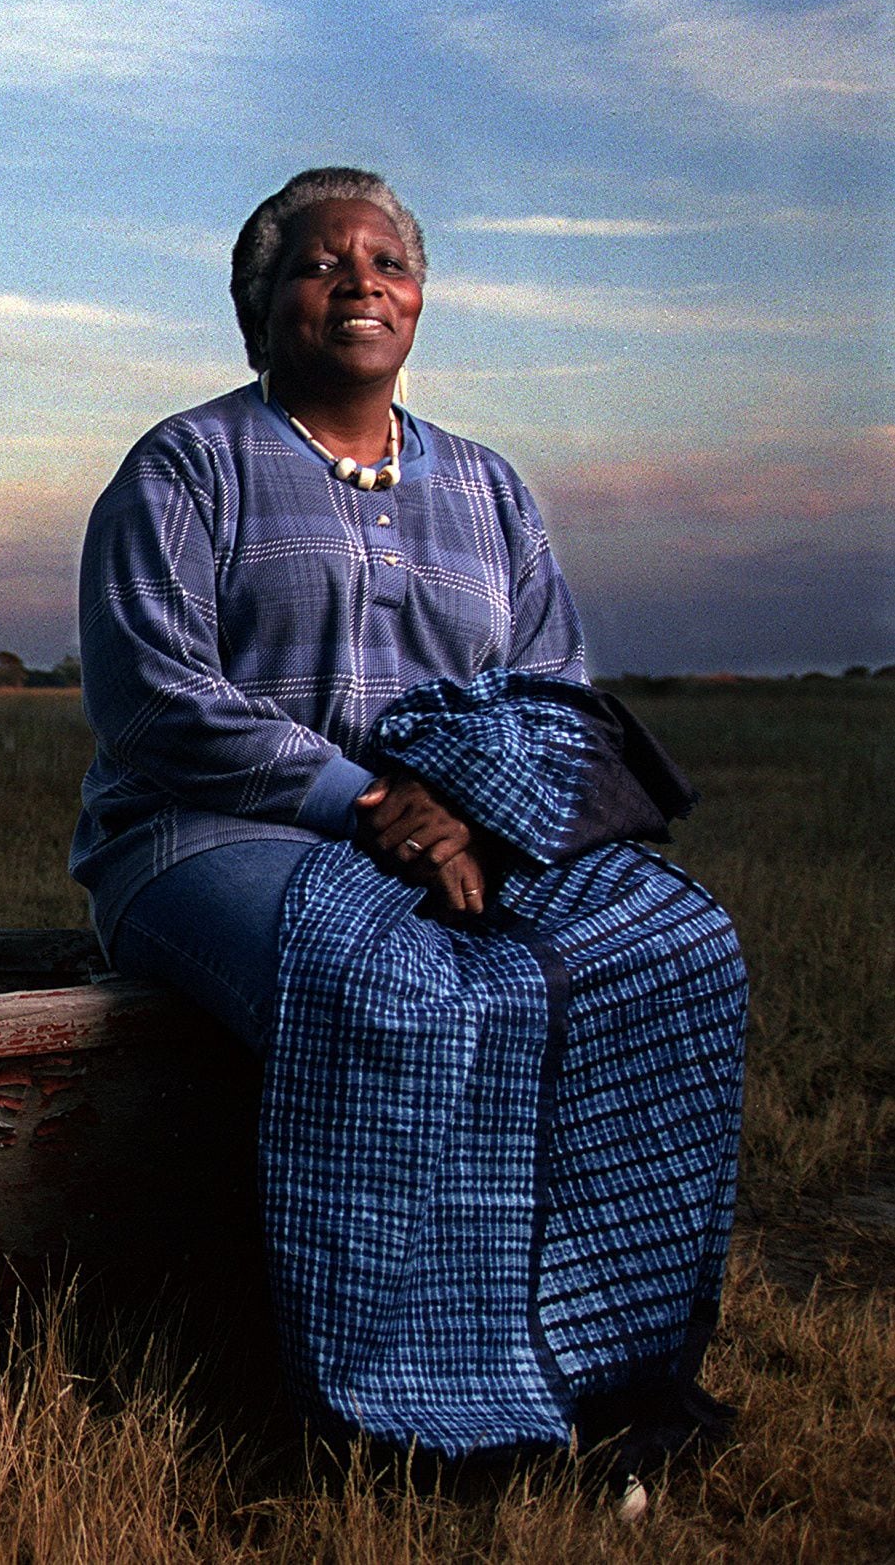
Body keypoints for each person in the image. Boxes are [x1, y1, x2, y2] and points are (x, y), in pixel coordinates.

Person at [69, 166, 746, 1513]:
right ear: (258, 307)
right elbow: (154, 693)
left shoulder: (488, 487)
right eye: (320, 262)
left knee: (675, 948)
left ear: (420, 300)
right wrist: (368, 804)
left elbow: (554, 686)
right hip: (206, 833)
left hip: (468, 836)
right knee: (398, 989)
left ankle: (604, 1378)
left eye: (385, 260)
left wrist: (488, 819)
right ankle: (404, 1418)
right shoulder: (186, 464)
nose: (359, 278)